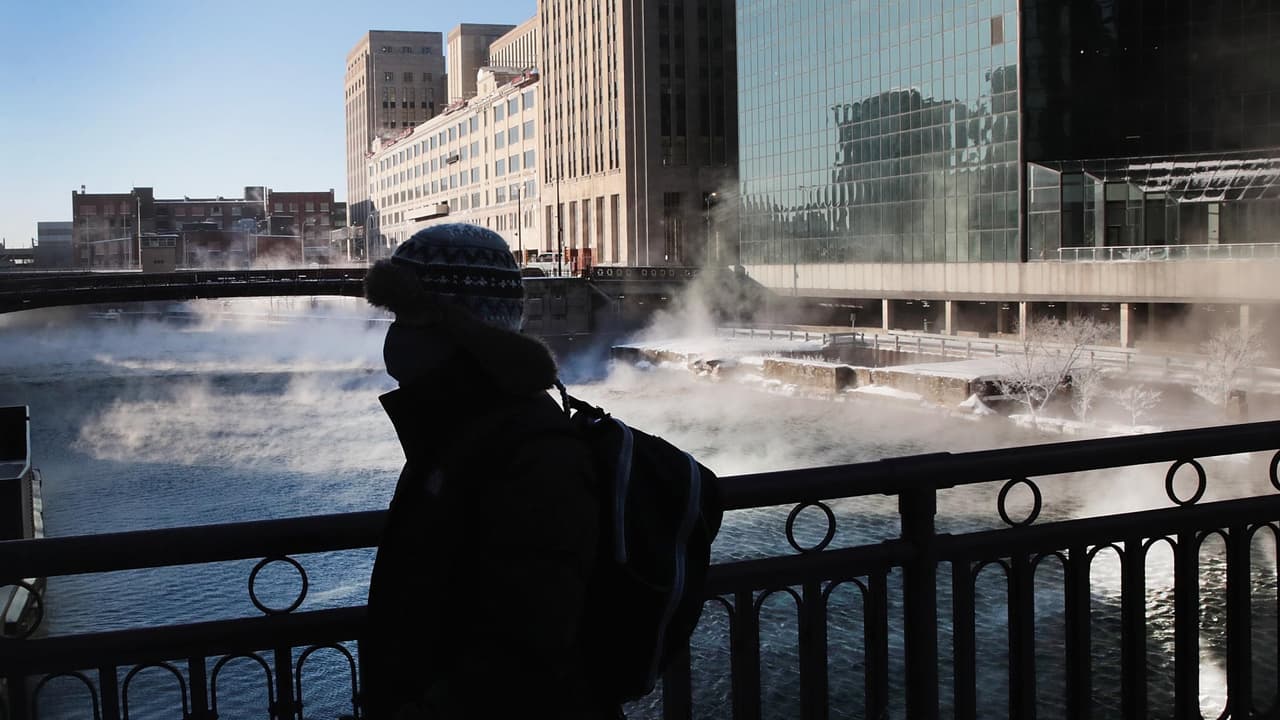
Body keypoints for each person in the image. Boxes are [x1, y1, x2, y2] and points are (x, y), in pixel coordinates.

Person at [360, 224, 613, 719]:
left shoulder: (531, 449)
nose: (396, 335)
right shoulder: (458, 429)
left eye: (410, 317)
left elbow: (529, 641)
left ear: (461, 327)